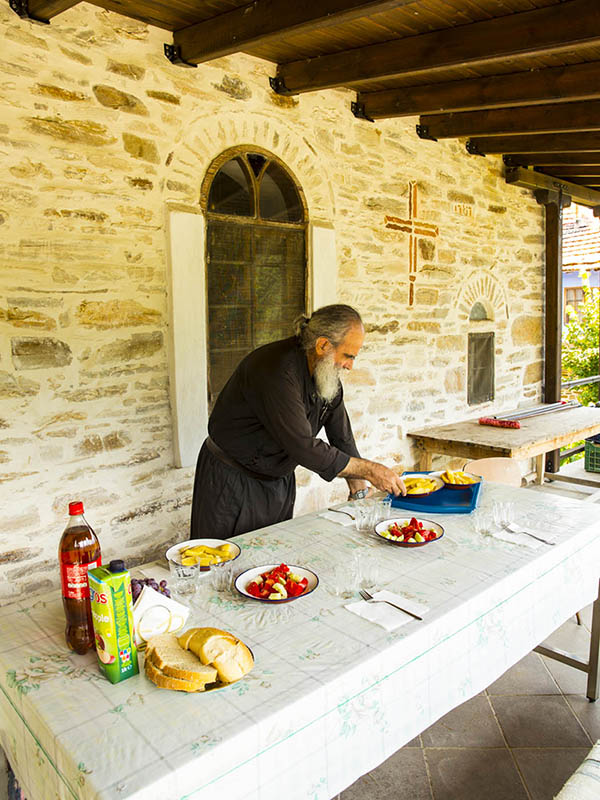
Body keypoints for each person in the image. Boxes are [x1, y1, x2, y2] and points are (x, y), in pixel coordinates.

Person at [190, 304, 406, 540]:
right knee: (223, 565)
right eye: (348, 356)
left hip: (278, 483)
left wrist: (357, 483)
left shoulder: (324, 373)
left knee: (271, 562)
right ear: (323, 345)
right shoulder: (276, 370)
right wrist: (371, 470)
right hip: (232, 483)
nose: (350, 366)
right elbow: (303, 446)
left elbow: (340, 434)